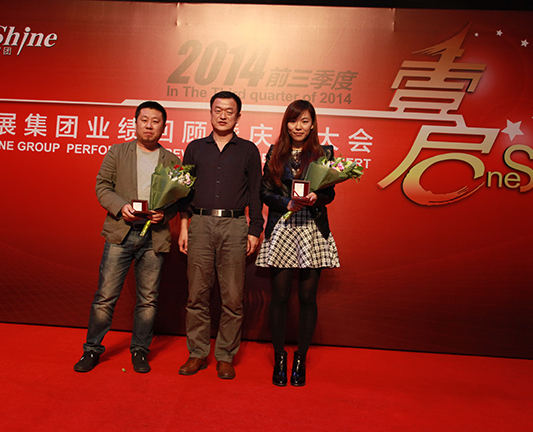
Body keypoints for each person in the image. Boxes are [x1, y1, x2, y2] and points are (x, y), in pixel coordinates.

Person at [74, 101, 181, 374]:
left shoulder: (172, 161)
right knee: (105, 296)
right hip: (120, 233)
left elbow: (178, 200)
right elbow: (102, 186)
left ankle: (140, 350)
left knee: (148, 299)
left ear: (163, 127)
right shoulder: (117, 152)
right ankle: (92, 349)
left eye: (155, 121)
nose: (149, 126)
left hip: (153, 237)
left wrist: (165, 214)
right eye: (144, 120)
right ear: (135, 123)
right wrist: (121, 207)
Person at [177, 91, 263, 380]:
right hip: (200, 224)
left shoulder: (249, 150)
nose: (223, 115)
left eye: (229, 111)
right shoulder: (195, 148)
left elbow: (255, 193)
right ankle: (197, 353)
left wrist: (254, 229)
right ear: (210, 112)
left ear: (238, 116)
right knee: (196, 295)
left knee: (233, 297)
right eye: (218, 110)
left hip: (234, 225)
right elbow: (184, 190)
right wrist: (184, 227)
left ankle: (225, 356)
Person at [256, 100, 340, 387]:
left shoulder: (323, 153)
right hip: (282, 227)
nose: (298, 127)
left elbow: (330, 194)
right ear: (286, 124)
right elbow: (264, 192)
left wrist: (317, 197)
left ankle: (300, 358)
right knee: (279, 297)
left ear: (313, 123)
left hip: (312, 229)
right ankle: (280, 357)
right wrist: (286, 203)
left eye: (304, 121)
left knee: (307, 298)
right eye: (293, 121)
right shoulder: (274, 152)